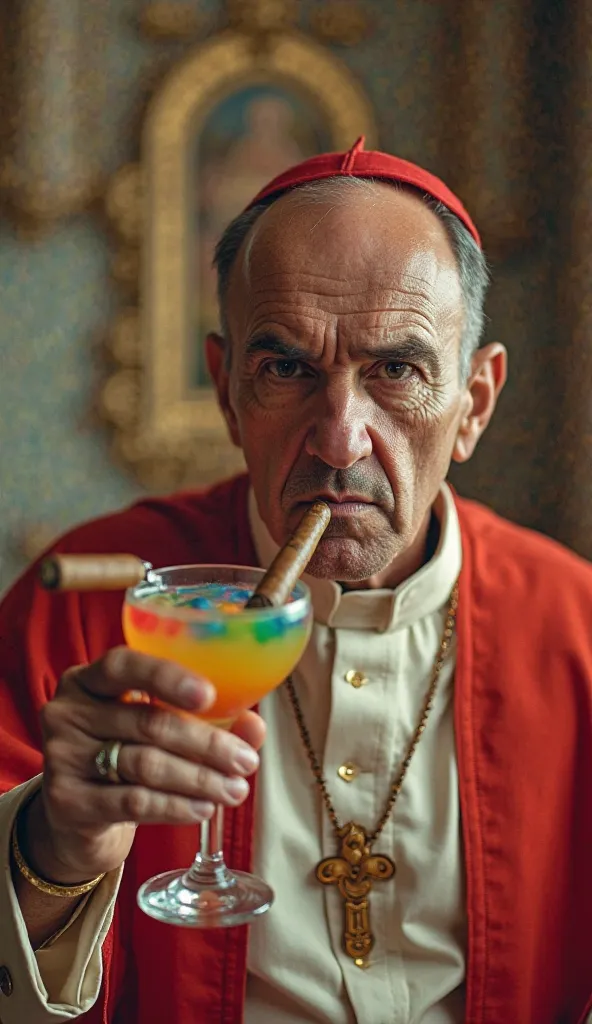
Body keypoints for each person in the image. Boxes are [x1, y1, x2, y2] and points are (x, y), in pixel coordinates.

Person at [0, 138, 591, 1024]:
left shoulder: (577, 624)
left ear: (474, 402)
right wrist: (56, 846)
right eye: (287, 369)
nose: (340, 439)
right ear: (227, 391)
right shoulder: (82, 617)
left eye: (395, 369)